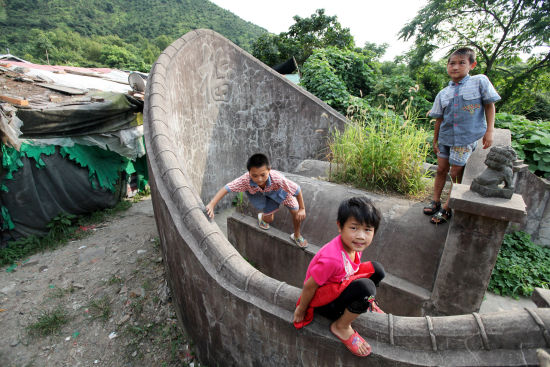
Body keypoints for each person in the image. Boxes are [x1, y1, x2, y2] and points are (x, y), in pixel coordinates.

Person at [293, 197, 385, 357]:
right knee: (366, 288)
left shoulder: (353, 245)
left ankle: (368, 302)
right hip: (324, 302)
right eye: (354, 228)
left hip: (340, 282)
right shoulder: (332, 259)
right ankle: (341, 326)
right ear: (340, 227)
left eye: (368, 230)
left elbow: (352, 269)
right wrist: (301, 309)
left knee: (377, 270)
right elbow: (310, 286)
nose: (361, 236)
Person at [423, 47, 501, 224]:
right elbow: (439, 119)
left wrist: (490, 131)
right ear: (447, 66)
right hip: (445, 137)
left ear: (472, 65)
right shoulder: (444, 93)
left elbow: (489, 105)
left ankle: (447, 208)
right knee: (441, 170)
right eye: (452, 63)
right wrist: (435, 140)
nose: (455, 67)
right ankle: (435, 201)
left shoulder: (479, 81)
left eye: (461, 63)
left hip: (465, 139)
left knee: (455, 172)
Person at [205, 153, 308, 248]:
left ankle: (297, 235)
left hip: (280, 192)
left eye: (263, 175)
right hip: (260, 194)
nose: (259, 179)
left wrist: (302, 208)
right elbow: (227, 188)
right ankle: (262, 217)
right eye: (254, 175)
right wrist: (211, 204)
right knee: (269, 219)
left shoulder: (277, 178)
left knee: (296, 211)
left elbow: (297, 189)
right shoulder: (245, 180)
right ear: (249, 172)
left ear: (269, 170)